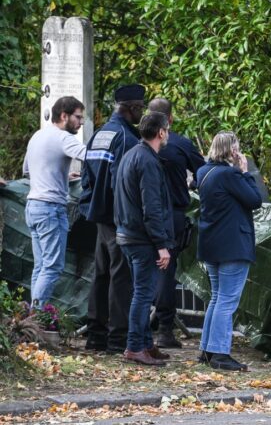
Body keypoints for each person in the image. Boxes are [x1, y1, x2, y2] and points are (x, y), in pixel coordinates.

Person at [80, 84, 146, 353]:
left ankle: (96, 334)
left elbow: (86, 177)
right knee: (121, 277)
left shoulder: (98, 134)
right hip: (117, 219)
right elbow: (124, 185)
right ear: (130, 107)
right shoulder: (126, 138)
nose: (142, 112)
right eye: (140, 107)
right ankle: (117, 338)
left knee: (102, 274)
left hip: (99, 216)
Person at [196, 132, 262, 371]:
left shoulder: (204, 172)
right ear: (232, 151)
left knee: (216, 297)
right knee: (227, 300)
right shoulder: (231, 174)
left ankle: (207, 349)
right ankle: (220, 353)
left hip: (210, 243)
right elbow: (255, 199)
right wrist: (245, 172)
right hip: (233, 244)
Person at [114, 111, 174, 366]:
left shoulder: (131, 155)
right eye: (167, 130)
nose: (168, 134)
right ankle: (135, 346)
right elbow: (152, 207)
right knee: (143, 294)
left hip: (127, 234)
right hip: (142, 239)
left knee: (141, 292)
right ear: (161, 132)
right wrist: (161, 245)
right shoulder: (148, 161)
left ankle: (146, 344)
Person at [148, 98, 205, 349]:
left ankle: (137, 327)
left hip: (142, 215)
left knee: (142, 272)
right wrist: (191, 184)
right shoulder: (181, 144)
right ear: (169, 119)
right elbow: (203, 173)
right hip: (172, 215)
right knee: (166, 273)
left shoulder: (137, 146)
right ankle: (164, 329)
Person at [22, 96, 87, 307]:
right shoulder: (63, 138)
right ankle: (38, 317)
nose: (81, 122)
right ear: (64, 115)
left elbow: (27, 171)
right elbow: (91, 156)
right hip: (50, 208)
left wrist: (61, 176)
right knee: (52, 267)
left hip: (33, 206)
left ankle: (31, 320)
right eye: (78, 117)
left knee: (40, 267)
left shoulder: (37, 136)